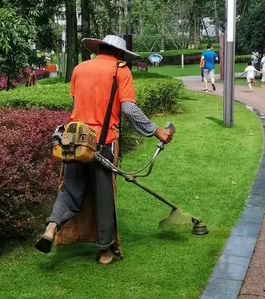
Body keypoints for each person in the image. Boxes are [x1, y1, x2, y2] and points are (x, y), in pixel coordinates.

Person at [35, 34, 173, 265]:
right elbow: (128, 108)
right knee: (103, 197)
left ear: (99, 48)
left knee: (70, 190)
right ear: (120, 54)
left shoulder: (80, 68)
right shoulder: (121, 71)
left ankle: (51, 227)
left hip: (74, 140)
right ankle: (105, 252)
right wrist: (155, 130)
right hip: (103, 142)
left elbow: (78, 102)